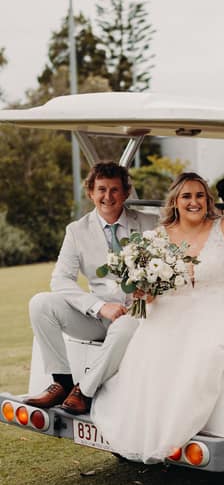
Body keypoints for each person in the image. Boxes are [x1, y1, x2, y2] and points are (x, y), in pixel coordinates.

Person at [90, 172, 224, 463]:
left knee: (202, 352)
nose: (193, 201)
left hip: (216, 307)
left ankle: (178, 428)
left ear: (207, 200)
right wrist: (143, 292)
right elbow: (152, 293)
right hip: (171, 308)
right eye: (186, 196)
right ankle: (148, 427)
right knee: (149, 350)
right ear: (176, 201)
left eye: (199, 195)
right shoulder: (160, 235)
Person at [25, 162, 157, 415]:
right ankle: (62, 383)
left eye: (115, 190)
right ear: (91, 193)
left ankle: (84, 391)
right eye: (101, 190)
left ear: (126, 192)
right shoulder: (76, 231)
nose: (108, 197)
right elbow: (61, 279)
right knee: (40, 303)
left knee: (126, 325)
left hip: (138, 317)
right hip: (97, 316)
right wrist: (99, 307)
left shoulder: (150, 224)